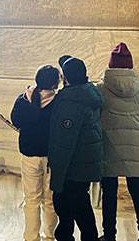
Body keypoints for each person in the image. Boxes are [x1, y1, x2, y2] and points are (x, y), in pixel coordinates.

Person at [97, 43, 139, 241]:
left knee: (109, 194)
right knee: (138, 192)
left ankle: (109, 235)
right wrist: (138, 136)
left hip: (109, 147)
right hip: (134, 150)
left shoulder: (101, 89)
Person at [48, 57, 103, 241]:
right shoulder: (89, 93)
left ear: (67, 77)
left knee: (70, 204)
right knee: (79, 202)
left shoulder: (71, 101)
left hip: (73, 165)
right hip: (86, 161)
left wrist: (57, 173)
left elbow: (64, 142)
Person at [11, 65, 61, 241]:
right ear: (55, 83)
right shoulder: (59, 101)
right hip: (51, 157)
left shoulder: (24, 98)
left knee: (31, 199)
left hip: (29, 153)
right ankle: (50, 236)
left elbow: (15, 120)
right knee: (50, 200)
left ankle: (31, 237)